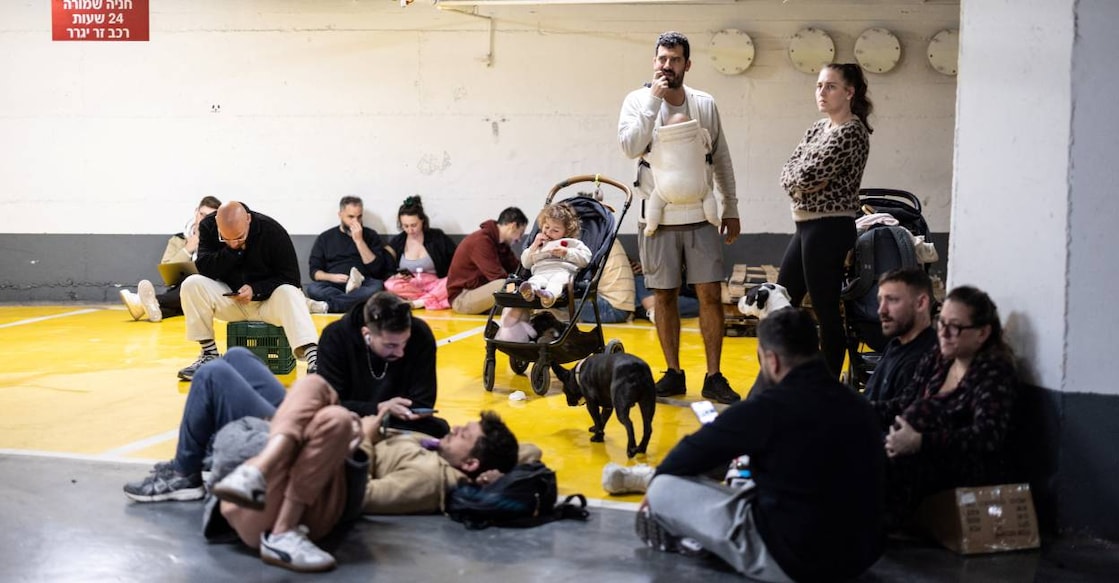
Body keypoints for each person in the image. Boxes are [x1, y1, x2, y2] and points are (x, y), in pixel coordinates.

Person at [634, 308, 884, 582]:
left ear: (772, 361)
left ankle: (706, 542)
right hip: (858, 559)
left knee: (663, 488)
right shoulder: (860, 405)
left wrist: (657, 482)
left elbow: (690, 453)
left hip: (795, 563)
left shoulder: (767, 408)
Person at [209, 381, 521, 572]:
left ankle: (265, 473)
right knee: (315, 385)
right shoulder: (437, 452)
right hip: (300, 482)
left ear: (469, 464)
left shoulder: (431, 478)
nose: (455, 429)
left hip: (321, 498)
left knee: (336, 418)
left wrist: (364, 439)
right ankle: (260, 471)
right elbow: (529, 451)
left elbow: (365, 497)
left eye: (463, 435)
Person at [618, 31, 741, 404]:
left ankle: (714, 376)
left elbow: (720, 157)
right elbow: (630, 147)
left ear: (687, 64)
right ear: (653, 61)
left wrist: (731, 206)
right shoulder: (637, 101)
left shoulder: (704, 103)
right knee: (664, 296)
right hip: (656, 217)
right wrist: (653, 104)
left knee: (709, 295)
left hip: (700, 214)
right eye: (661, 59)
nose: (666, 66)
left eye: (674, 60)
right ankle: (673, 373)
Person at [872, 285, 1017, 527]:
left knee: (874, 462)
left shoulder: (994, 373)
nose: (944, 333)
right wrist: (858, 410)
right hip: (909, 450)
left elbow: (986, 437)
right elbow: (904, 403)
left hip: (957, 468)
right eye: (941, 323)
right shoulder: (937, 358)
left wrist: (920, 442)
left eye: (956, 327)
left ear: (982, 333)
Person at [777, 63, 873, 379]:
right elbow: (788, 172)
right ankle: (793, 371)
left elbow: (807, 173)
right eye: (819, 85)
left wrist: (802, 180)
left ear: (849, 92)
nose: (822, 92)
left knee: (825, 308)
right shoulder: (818, 129)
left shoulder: (852, 132)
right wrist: (801, 180)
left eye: (830, 86)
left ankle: (828, 381)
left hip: (830, 226)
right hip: (805, 224)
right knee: (783, 299)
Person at [177, 201, 319, 381]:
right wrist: (232, 252)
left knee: (290, 292)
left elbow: (291, 278)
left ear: (249, 220)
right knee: (191, 284)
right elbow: (205, 268)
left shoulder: (272, 232)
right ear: (218, 227)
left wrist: (256, 290)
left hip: (268, 303)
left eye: (239, 237)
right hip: (232, 300)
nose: (233, 242)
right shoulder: (208, 226)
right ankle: (209, 354)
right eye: (225, 238)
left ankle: (314, 359)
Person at [122, 347, 285, 503]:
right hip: (295, 422)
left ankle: (183, 473)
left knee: (211, 374)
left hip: (290, 442)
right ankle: (211, 456)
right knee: (237, 356)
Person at [316, 291, 450, 437]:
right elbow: (331, 403)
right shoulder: (336, 337)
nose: (400, 353)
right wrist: (379, 408)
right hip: (351, 419)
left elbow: (424, 400)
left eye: (404, 343)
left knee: (440, 429)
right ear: (367, 334)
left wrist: (404, 412)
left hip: (400, 420)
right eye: (391, 346)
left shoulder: (420, 334)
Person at [120, 196, 221, 322]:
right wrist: (187, 250)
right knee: (185, 290)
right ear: (196, 212)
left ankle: (141, 302)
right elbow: (166, 270)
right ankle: (155, 309)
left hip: (204, 292)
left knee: (192, 284)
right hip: (179, 291)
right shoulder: (178, 239)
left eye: (210, 217)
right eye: (202, 214)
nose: (204, 220)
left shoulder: (219, 242)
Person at [304, 196, 395, 314]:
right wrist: (332, 277)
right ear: (340, 214)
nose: (355, 222)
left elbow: (377, 269)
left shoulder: (370, 235)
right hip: (334, 284)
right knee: (313, 289)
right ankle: (352, 301)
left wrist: (359, 241)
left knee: (377, 287)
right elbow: (314, 272)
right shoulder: (325, 238)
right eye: (351, 217)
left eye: (359, 217)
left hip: (362, 283)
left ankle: (326, 306)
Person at [863, 267, 938, 402]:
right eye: (880, 301)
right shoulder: (897, 344)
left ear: (921, 303)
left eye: (892, 300)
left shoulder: (921, 361)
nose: (881, 310)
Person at [642, 112, 720, 237]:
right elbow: (707, 148)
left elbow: (651, 158)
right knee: (708, 196)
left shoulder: (662, 144)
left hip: (667, 189)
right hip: (697, 188)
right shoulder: (698, 140)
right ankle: (713, 217)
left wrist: (644, 155)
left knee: (654, 204)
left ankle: (651, 226)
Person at [446, 207, 528, 315]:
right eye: (521, 233)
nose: (519, 239)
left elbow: (517, 269)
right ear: (512, 226)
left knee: (523, 308)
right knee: (504, 285)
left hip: (480, 294)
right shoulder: (481, 241)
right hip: (462, 298)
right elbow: (497, 277)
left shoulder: (502, 245)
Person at [384, 195, 458, 310]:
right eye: (405, 226)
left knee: (450, 281)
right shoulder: (398, 242)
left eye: (414, 225)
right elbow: (386, 269)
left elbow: (456, 262)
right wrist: (397, 276)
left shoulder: (437, 237)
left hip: (435, 284)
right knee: (389, 284)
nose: (410, 230)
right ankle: (427, 300)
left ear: (422, 221)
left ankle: (419, 302)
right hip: (411, 287)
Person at [517, 201, 593, 309]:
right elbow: (526, 264)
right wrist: (534, 246)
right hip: (540, 272)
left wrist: (566, 252)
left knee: (557, 280)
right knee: (535, 280)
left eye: (555, 230)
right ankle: (530, 291)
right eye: (546, 227)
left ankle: (550, 295)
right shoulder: (539, 243)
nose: (548, 232)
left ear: (566, 231)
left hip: (562, 271)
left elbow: (585, 257)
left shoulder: (571, 242)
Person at [575, 241, 635, 324]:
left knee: (556, 301)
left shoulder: (588, 240)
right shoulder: (605, 235)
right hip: (622, 307)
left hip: (611, 308)